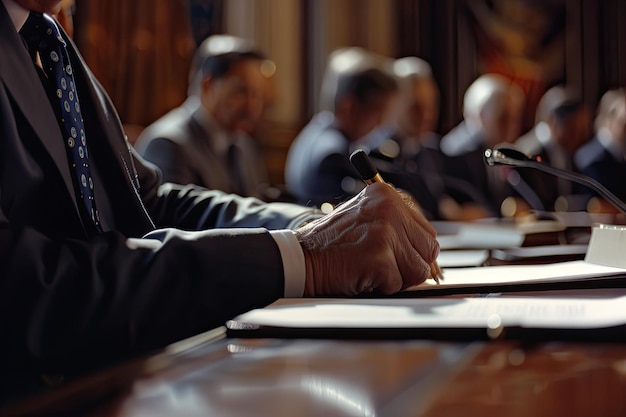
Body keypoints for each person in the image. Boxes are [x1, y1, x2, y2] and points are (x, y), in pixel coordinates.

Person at [0, 0, 439, 397]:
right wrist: (306, 256)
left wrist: (317, 229)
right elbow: (28, 289)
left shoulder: (47, 37)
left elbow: (148, 202)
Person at [134, 35, 272, 199]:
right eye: (241, 91)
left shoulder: (243, 144)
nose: (252, 106)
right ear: (208, 85)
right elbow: (180, 219)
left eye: (256, 95)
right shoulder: (167, 145)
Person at [285, 47, 400, 207]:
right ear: (349, 107)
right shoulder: (333, 155)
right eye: (376, 110)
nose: (381, 122)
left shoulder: (315, 133)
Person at [366, 56, 445, 219]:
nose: (426, 116)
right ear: (394, 103)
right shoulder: (374, 153)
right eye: (416, 107)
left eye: (431, 106)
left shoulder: (430, 149)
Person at [438, 73, 525, 219]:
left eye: (514, 119)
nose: (511, 127)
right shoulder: (457, 153)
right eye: (503, 118)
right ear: (480, 116)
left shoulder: (501, 151)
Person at [515, 86, 591, 211]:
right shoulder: (529, 153)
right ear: (553, 121)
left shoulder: (567, 151)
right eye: (572, 130)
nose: (577, 137)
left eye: (581, 131)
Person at [574, 88, 626, 210]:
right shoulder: (591, 158)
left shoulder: (619, 155)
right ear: (609, 119)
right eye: (624, 122)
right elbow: (590, 204)